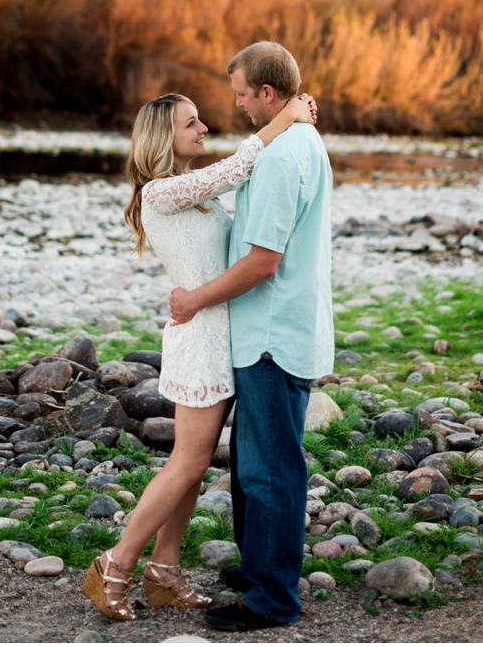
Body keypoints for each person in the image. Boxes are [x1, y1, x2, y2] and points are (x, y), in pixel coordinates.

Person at [82, 88, 316, 623]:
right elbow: (237, 167)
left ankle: (164, 570)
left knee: (191, 464)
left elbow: (236, 191)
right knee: (187, 463)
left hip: (217, 335)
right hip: (200, 340)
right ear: (164, 136)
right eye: (192, 123)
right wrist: (285, 117)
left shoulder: (191, 193)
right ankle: (114, 565)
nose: (204, 128)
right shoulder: (161, 193)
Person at [169, 41, 334, 632]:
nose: (235, 105)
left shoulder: (285, 155)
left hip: (269, 335)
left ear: (267, 92)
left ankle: (270, 599)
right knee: (253, 463)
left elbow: (262, 262)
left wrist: (194, 299)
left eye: (241, 94)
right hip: (278, 329)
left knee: (269, 471)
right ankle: (260, 567)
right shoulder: (296, 140)